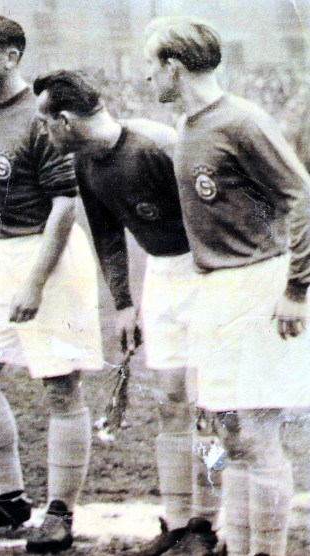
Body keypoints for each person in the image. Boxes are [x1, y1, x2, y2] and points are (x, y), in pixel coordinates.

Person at [33, 69, 219, 555]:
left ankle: (211, 524)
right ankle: (177, 522)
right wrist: (122, 303)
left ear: (66, 120)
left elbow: (214, 213)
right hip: (161, 273)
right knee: (171, 399)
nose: (44, 133)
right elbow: (108, 235)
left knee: (213, 405)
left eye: (46, 122)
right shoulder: (85, 164)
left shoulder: (156, 146)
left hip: (207, 271)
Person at [145, 17, 310, 556]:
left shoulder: (242, 121)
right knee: (231, 432)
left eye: (152, 64)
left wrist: (297, 288)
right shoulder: (187, 125)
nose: (148, 76)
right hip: (213, 288)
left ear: (173, 67)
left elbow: (302, 198)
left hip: (259, 284)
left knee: (258, 437)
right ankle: (237, 546)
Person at [0, 15, 104, 554]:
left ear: (11, 56)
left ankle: (60, 511)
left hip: (49, 258)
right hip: (2, 258)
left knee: (60, 387)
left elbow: (65, 204)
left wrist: (34, 283)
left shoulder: (40, 116)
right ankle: (10, 498)